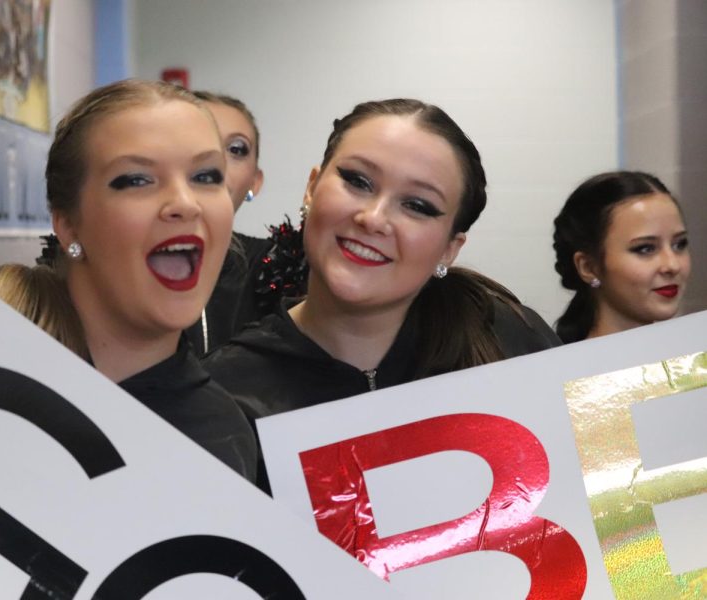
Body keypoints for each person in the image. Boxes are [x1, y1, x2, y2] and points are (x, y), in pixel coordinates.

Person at [202, 98, 559, 484]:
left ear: (450, 248)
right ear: (311, 188)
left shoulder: (510, 341)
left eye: (418, 205)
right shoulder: (226, 396)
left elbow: (625, 517)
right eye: (357, 181)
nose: (373, 219)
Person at [40, 80, 257, 480]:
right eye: (137, 179)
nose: (185, 204)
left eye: (207, 176)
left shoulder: (223, 435)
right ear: (67, 224)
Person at [552, 171, 689, 343]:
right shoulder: (570, 368)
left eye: (679, 244)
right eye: (645, 248)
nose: (672, 265)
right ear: (588, 267)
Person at [184, 91, 273, 355]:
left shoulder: (274, 267)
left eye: (235, 149)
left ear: (255, 182)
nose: (215, 160)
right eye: (198, 140)